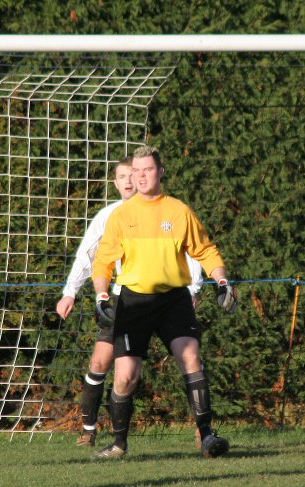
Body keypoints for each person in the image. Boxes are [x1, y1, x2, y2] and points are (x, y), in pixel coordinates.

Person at [91, 145, 237, 459]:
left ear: (161, 172)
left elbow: (206, 251)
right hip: (133, 302)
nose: (141, 176)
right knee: (126, 376)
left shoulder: (179, 211)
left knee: (192, 359)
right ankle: (119, 443)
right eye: (136, 171)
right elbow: (102, 263)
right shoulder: (121, 216)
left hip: (173, 300)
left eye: (147, 170)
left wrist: (222, 281)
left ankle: (208, 437)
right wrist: (102, 295)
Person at [56, 156, 203, 447]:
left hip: (167, 300)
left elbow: (188, 251)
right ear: (116, 182)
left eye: (133, 174)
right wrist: (70, 291)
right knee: (104, 362)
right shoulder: (109, 216)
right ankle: (91, 430)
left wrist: (193, 289)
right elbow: (90, 256)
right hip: (126, 302)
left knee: (189, 359)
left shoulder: (167, 212)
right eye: (122, 176)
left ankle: (204, 429)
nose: (128, 181)